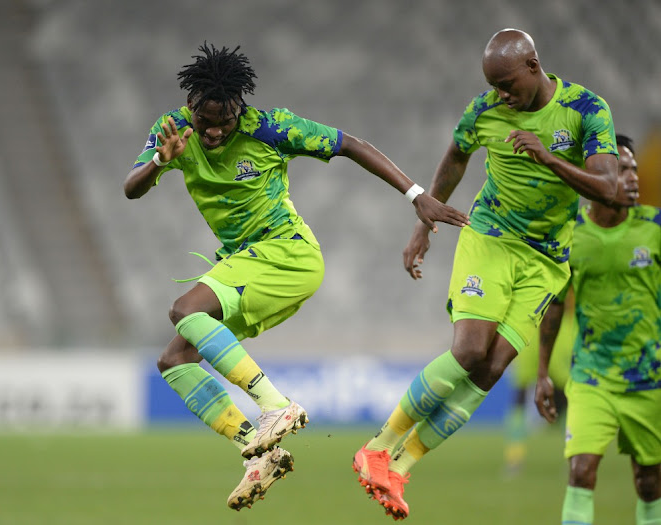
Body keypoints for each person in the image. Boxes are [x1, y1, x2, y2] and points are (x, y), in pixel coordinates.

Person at [123, 43, 469, 511]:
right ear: (191, 107)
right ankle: (257, 455)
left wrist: (415, 194)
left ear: (239, 108)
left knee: (185, 310)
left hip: (288, 254)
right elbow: (131, 189)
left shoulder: (270, 127)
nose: (215, 130)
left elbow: (351, 145)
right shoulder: (173, 131)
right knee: (175, 360)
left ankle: (276, 406)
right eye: (206, 120)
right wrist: (161, 161)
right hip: (248, 263)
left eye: (225, 119)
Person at [352, 28, 627, 521]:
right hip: (492, 238)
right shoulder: (485, 111)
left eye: (507, 84)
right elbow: (457, 156)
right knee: (469, 350)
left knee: (492, 368)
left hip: (547, 259)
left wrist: (547, 157)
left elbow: (609, 188)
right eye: (493, 85)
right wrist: (425, 219)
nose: (501, 95)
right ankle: (379, 447)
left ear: (533, 66)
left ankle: (400, 466)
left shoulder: (586, 110)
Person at [535, 134, 661, 525]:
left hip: (649, 376)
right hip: (592, 376)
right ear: (597, 176)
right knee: (580, 472)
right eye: (622, 170)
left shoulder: (655, 227)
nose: (633, 178)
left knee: (649, 482)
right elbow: (554, 307)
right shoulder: (571, 235)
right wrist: (542, 374)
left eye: (634, 169)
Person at [502, 288, 573, 476]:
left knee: (563, 400)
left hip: (544, 324)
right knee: (522, 398)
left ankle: (574, 457)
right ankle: (515, 459)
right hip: (535, 325)